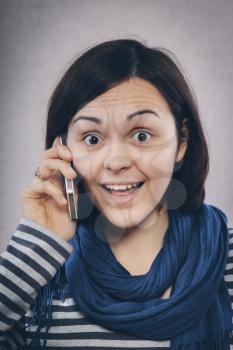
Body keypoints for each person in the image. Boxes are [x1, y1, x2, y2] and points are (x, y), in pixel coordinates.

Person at [0, 38, 232, 350]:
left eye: (141, 135)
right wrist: (40, 237)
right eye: (92, 138)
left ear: (182, 141)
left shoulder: (224, 253)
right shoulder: (40, 272)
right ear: (63, 150)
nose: (116, 162)